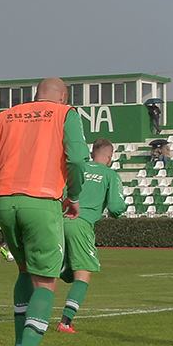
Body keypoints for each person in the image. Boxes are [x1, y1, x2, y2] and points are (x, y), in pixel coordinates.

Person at [0, 77, 90, 346]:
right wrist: (73, 195)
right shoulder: (65, 114)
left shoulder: (7, 115)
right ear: (63, 97)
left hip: (6, 202)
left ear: (36, 95)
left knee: (23, 272)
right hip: (42, 202)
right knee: (45, 282)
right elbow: (75, 158)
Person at [56, 138, 127, 333]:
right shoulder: (110, 175)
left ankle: (35, 316)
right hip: (81, 223)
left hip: (58, 220)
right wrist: (119, 211)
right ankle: (66, 322)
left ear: (92, 152)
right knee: (83, 273)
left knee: (50, 272)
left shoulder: (77, 169)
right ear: (110, 157)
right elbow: (115, 207)